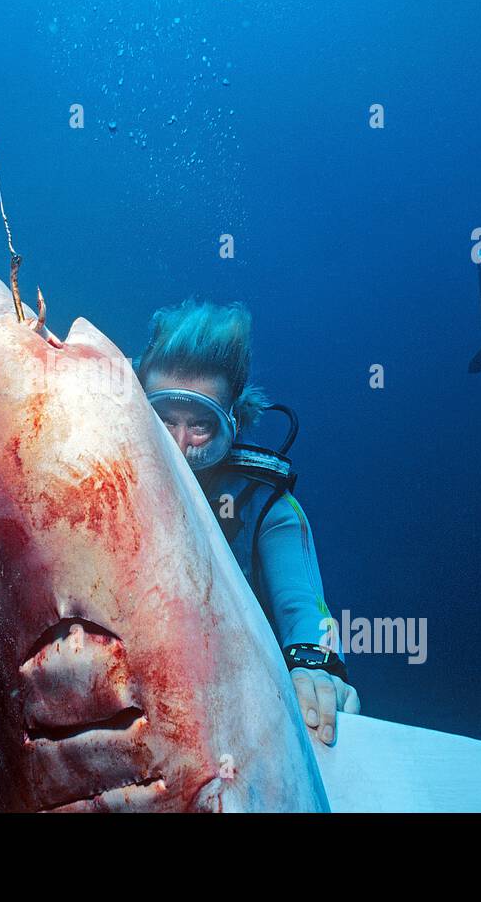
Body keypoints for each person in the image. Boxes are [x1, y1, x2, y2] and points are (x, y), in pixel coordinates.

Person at [134, 298, 360, 744]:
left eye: (200, 425)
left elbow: (303, 609)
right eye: (162, 420)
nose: (179, 448)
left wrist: (314, 669)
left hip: (237, 716)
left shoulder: (268, 509)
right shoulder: (105, 481)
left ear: (232, 422)